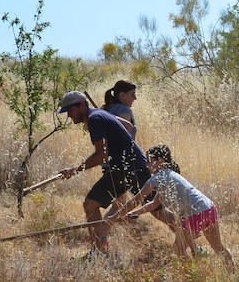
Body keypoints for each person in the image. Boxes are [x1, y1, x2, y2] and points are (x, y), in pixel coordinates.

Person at [56, 91, 168, 256]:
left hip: (129, 168)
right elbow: (129, 127)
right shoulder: (99, 115)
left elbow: (101, 154)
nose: (69, 115)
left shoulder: (95, 119)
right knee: (91, 204)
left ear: (81, 105)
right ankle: (99, 252)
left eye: (70, 111)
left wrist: (76, 170)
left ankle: (188, 235)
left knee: (157, 210)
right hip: (123, 168)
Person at [111, 144, 234, 268]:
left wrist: (115, 216)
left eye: (149, 161)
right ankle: (231, 272)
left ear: (160, 161)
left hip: (196, 214)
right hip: (209, 208)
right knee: (218, 247)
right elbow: (154, 204)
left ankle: (192, 275)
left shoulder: (157, 178)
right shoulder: (168, 175)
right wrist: (134, 213)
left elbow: (135, 201)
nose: (146, 165)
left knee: (178, 249)